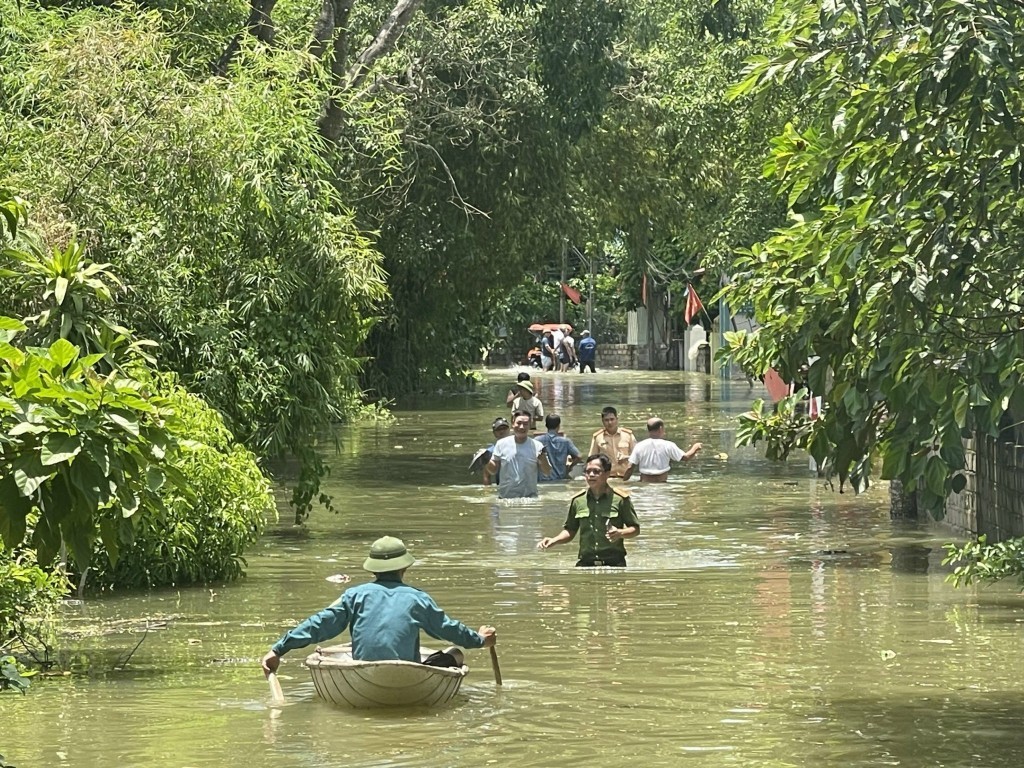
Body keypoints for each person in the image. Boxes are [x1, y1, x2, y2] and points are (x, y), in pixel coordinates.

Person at [260, 536, 497, 673]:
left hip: (362, 673)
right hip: (407, 675)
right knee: (456, 654)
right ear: (405, 567)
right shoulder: (417, 598)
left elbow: (319, 624)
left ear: (372, 568)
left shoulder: (354, 596)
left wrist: (278, 649)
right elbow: (449, 629)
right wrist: (480, 640)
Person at [537, 454, 640, 567]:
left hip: (615, 563)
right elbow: (570, 530)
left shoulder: (620, 499)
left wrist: (620, 533)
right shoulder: (578, 500)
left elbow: (635, 529)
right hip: (585, 563)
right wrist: (554, 540)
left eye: (596, 471)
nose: (591, 475)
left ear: (607, 474)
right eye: (587, 471)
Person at [485, 410, 551, 498]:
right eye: (519, 423)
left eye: (525, 424)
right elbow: (493, 471)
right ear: (513, 424)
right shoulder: (501, 444)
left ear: (530, 425)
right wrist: (485, 460)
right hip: (506, 499)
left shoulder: (537, 446)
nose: (522, 427)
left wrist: (543, 458)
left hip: (529, 499)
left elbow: (547, 472)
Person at [623, 417, 702, 482]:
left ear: (648, 430)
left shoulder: (639, 446)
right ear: (660, 429)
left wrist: (623, 482)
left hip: (644, 483)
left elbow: (630, 467)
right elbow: (686, 457)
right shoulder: (668, 445)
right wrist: (695, 447)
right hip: (662, 484)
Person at [588, 406, 636, 478]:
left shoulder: (628, 435)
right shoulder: (597, 437)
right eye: (606, 420)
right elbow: (591, 459)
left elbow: (638, 456)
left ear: (617, 419)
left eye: (612, 419)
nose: (610, 422)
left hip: (625, 477)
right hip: (606, 477)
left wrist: (626, 458)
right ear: (602, 421)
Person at [536, 413, 582, 481]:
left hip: (542, 481)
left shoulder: (537, 441)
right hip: (560, 479)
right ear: (558, 426)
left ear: (546, 425)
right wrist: (569, 467)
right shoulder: (566, 442)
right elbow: (579, 456)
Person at [479, 417, 511, 486]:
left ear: (509, 430)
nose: (502, 431)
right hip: (501, 485)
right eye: (499, 429)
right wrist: (487, 492)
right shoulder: (489, 452)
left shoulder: (519, 445)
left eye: (504, 428)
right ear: (494, 433)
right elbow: (486, 476)